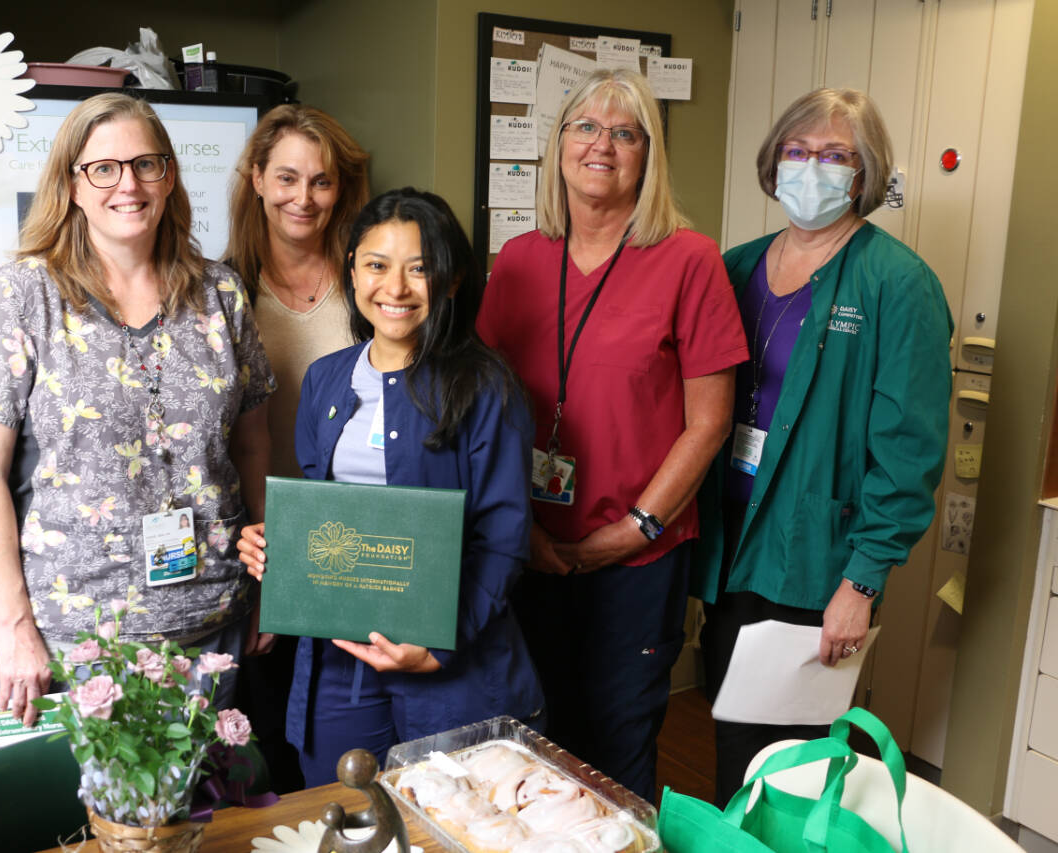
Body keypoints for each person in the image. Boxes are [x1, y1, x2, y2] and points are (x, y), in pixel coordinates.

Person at [0, 92, 275, 725]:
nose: (128, 185)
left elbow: (250, 444)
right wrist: (15, 627)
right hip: (67, 639)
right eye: (104, 168)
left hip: (208, 624)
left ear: (169, 175)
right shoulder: (20, 297)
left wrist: (267, 585)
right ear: (72, 185)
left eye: (146, 164)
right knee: (65, 796)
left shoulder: (221, 293)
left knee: (195, 792)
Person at [476, 68, 748, 801]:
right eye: (586, 128)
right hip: (528, 549)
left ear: (647, 155)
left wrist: (636, 528)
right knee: (530, 742)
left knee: (617, 748)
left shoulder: (689, 259)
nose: (603, 145)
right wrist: (524, 528)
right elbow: (484, 405)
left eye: (625, 133)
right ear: (559, 146)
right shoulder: (520, 259)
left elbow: (709, 422)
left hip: (639, 559)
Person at [693, 87, 953, 804]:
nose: (812, 168)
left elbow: (908, 451)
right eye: (798, 150)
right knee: (732, 734)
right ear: (774, 162)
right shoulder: (735, 267)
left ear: (864, 173)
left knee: (788, 763)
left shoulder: (897, 284)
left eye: (835, 155)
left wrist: (861, 583)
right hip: (729, 544)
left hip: (813, 559)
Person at [238, 188, 544, 785]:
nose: (395, 288)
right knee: (341, 812)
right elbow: (325, 515)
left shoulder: (487, 388)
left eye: (419, 268)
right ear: (353, 270)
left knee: (445, 819)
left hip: (449, 662)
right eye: (377, 265)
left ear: (451, 280)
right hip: (340, 662)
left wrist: (440, 646)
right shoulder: (326, 380)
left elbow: (504, 539)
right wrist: (276, 548)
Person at [224, 105, 370, 792]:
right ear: (256, 178)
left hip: (357, 545)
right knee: (265, 743)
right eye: (286, 177)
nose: (302, 198)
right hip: (259, 544)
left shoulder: (370, 286)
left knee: (344, 744)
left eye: (321, 181)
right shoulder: (222, 290)